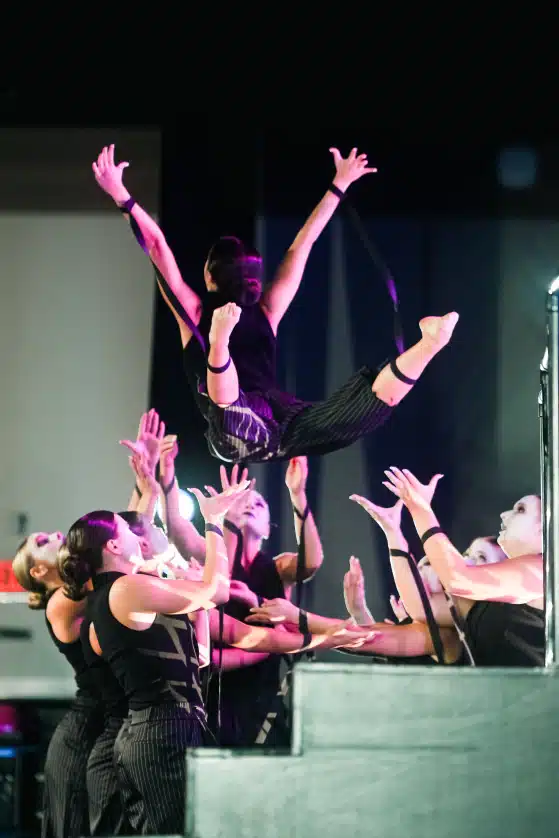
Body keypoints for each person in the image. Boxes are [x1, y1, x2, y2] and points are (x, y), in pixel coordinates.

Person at [92, 143, 459, 463]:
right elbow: (303, 245)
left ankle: (220, 346)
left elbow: (158, 247)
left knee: (240, 409)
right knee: (361, 411)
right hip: (273, 420)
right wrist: (338, 186)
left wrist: (122, 196)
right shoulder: (267, 310)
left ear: (209, 277)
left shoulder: (196, 312)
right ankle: (428, 345)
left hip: (259, 423)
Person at [57, 481, 247, 835]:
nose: (139, 536)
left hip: (159, 728)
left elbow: (200, 658)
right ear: (114, 545)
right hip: (161, 729)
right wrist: (214, 522)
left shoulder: (124, 590)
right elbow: (217, 590)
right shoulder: (125, 589)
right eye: (128, 530)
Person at [382, 468, 544, 666]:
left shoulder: (541, 573)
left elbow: (458, 579)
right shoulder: (492, 600)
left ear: (545, 529)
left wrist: (421, 510)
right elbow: (421, 608)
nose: (504, 515)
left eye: (520, 510)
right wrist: (393, 535)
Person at [12, 532, 103, 838]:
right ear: (38, 570)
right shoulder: (61, 602)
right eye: (42, 541)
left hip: (103, 725)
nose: (56, 534)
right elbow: (110, 559)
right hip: (83, 735)